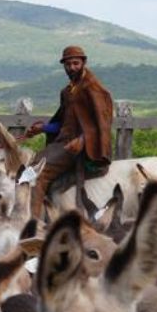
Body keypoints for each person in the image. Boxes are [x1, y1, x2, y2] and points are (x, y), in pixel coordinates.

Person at [24, 45, 114, 219]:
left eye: (75, 63)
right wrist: (43, 128)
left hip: (79, 147)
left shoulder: (93, 88)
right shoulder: (67, 91)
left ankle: (32, 226)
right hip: (62, 143)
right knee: (27, 168)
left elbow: (103, 121)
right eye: (68, 64)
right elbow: (63, 123)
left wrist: (82, 139)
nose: (72, 67)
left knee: (36, 176)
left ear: (83, 63)